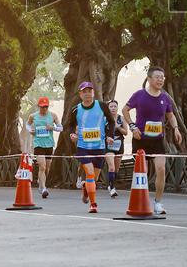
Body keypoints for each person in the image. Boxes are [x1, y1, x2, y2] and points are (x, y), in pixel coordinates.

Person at [123, 66, 182, 215]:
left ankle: (158, 202)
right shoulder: (139, 95)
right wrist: (132, 127)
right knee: (143, 172)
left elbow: (171, 115)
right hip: (140, 139)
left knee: (161, 169)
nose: (160, 80)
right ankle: (141, 201)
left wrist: (176, 128)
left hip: (157, 140)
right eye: (157, 77)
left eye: (162, 77)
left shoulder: (165, 98)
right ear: (149, 79)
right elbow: (125, 110)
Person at [66, 81, 112, 213]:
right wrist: (72, 134)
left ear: (93, 92)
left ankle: (86, 189)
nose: (87, 94)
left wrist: (110, 135)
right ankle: (93, 204)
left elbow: (111, 121)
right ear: (80, 94)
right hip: (83, 147)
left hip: (99, 147)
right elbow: (69, 125)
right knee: (90, 173)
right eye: (84, 92)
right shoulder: (76, 109)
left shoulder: (102, 106)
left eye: (89, 91)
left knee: (94, 178)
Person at [28, 97, 62, 198]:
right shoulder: (33, 116)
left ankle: (41, 183)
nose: (44, 109)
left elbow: (61, 128)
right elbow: (28, 125)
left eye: (46, 107)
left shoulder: (53, 115)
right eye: (42, 107)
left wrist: (53, 128)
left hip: (49, 144)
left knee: (47, 168)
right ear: (39, 106)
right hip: (38, 144)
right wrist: (30, 130)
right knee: (42, 166)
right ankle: (43, 188)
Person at [104, 100, 128, 198]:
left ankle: (111, 184)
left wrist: (118, 128)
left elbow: (126, 132)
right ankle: (112, 188)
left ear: (117, 108)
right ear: (108, 108)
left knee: (116, 169)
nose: (113, 108)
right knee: (111, 167)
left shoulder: (121, 118)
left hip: (119, 145)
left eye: (115, 106)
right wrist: (106, 137)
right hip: (108, 146)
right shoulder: (104, 118)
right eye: (111, 106)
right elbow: (101, 132)